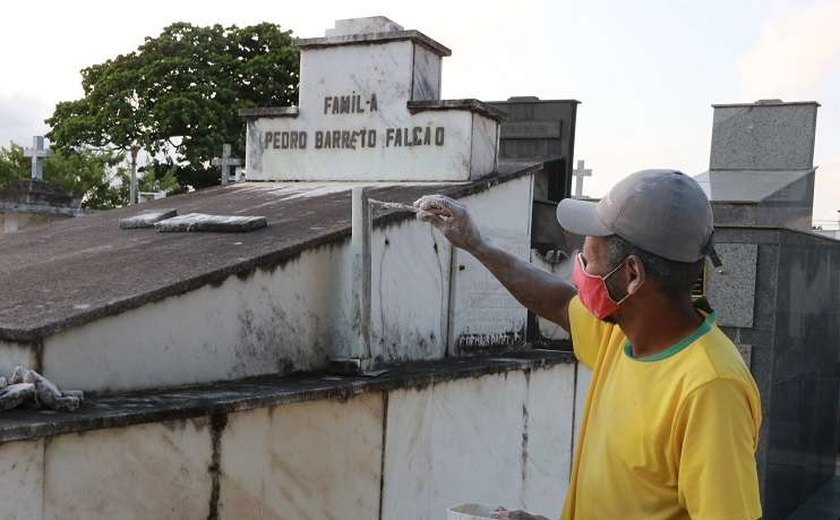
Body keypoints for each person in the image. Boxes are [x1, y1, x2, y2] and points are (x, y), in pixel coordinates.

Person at [414, 169, 762, 520]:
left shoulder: (710, 390)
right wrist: (477, 243)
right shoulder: (623, 333)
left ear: (632, 274)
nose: (580, 268)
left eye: (589, 258)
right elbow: (557, 303)